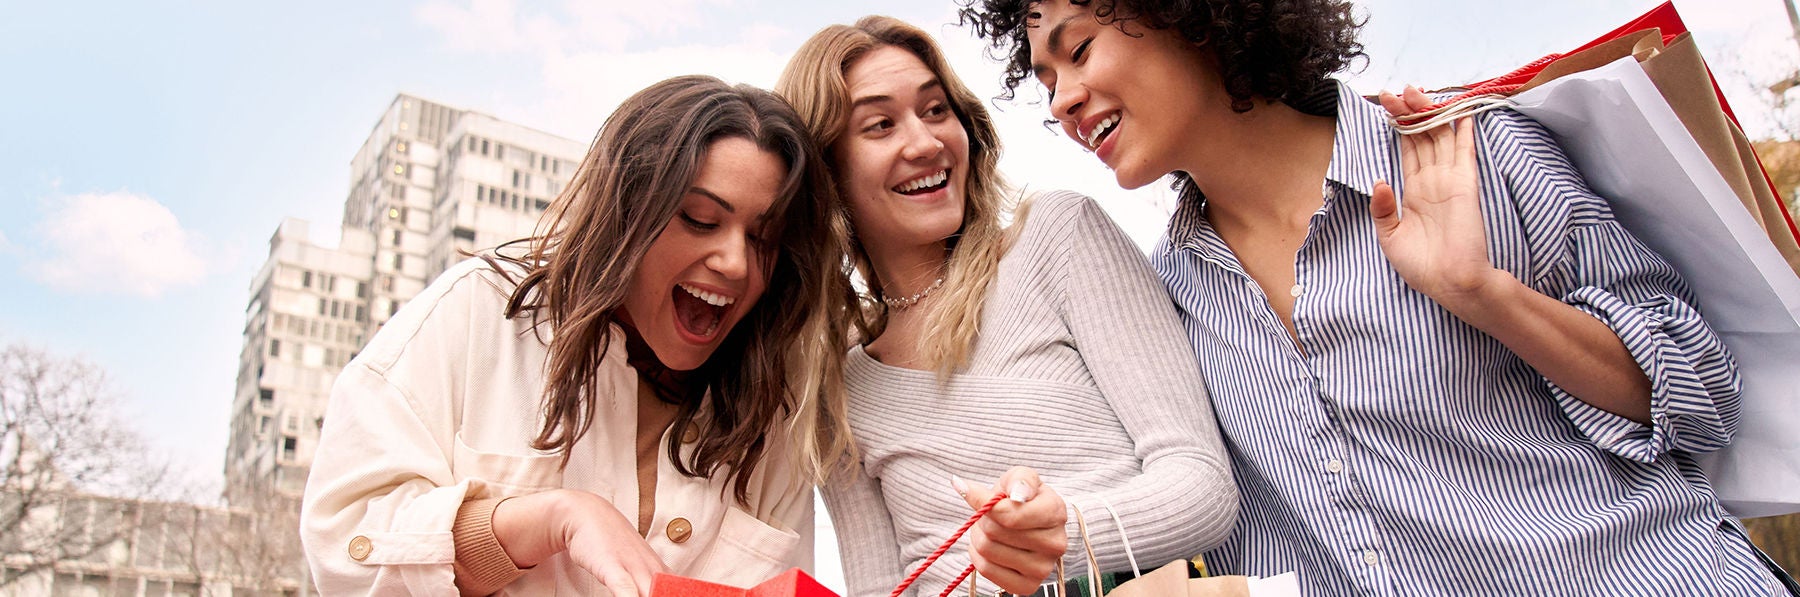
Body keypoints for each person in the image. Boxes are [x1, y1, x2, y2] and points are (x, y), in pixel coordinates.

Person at [960, 0, 1800, 594]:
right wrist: (1049, 511)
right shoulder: (1169, 298)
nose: (1062, 97)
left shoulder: (1466, 153)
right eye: (1044, 77)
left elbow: (1701, 393)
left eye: (1078, 51)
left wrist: (1488, 296)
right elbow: (1224, 520)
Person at [298, 75, 855, 596]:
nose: (736, 263)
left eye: (763, 238)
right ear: (626, 213)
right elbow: (345, 544)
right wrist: (553, 519)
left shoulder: (772, 419)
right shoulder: (478, 314)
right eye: (700, 220)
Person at [774, 16, 1238, 597]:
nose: (924, 143)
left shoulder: (1057, 238)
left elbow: (1203, 486)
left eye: (936, 110)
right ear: (825, 173)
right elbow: (880, 588)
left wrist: (1062, 530)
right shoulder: (836, 385)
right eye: (880, 125)